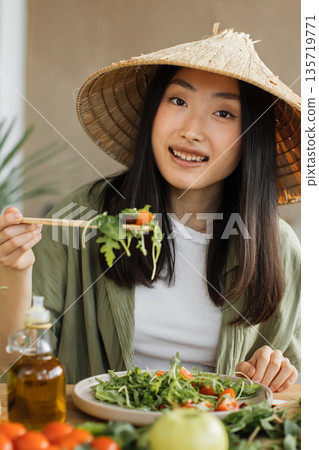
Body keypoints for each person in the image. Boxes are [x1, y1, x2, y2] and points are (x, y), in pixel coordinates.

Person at [0, 25, 300, 390]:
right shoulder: (81, 213)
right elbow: (12, 371)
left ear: (250, 138)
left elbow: (295, 394)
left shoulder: (278, 247)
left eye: (224, 113)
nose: (191, 129)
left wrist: (278, 371)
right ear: (152, 112)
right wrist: (15, 270)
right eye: (178, 101)